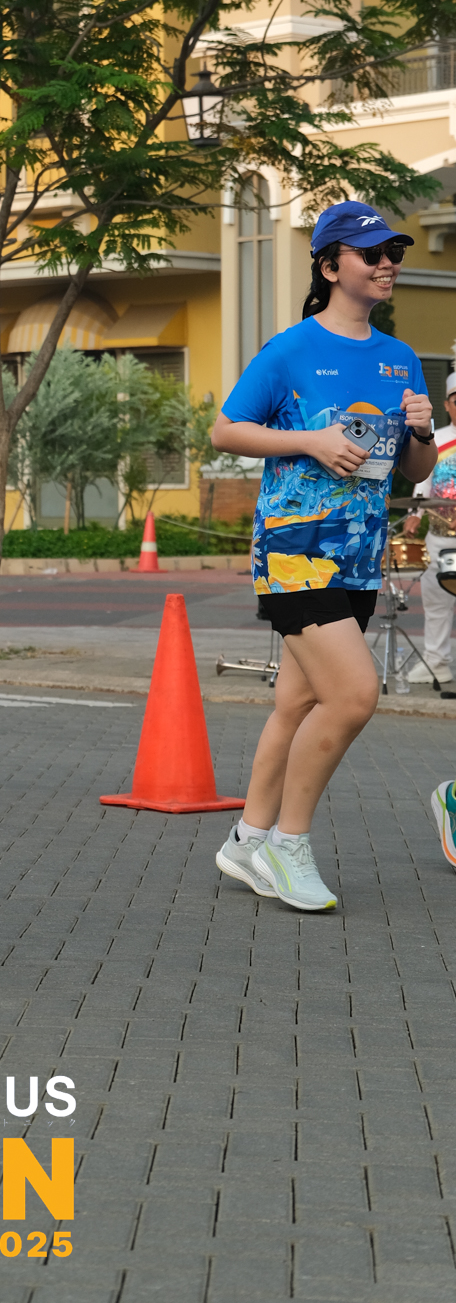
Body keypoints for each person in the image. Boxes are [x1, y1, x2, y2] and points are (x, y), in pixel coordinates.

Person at [211, 200, 434, 912]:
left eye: (394, 253)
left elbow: (414, 472)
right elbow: (225, 431)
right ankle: (289, 843)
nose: (387, 263)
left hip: (361, 553)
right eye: (373, 254)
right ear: (331, 266)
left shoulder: (401, 358)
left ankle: (246, 839)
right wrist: (309, 440)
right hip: (296, 549)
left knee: (299, 700)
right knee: (354, 694)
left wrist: (424, 432)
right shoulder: (291, 350)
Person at [401, 371, 456, 690]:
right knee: (437, 604)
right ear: (446, 405)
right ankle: (436, 663)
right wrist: (414, 514)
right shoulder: (438, 439)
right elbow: (423, 480)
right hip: (439, 537)